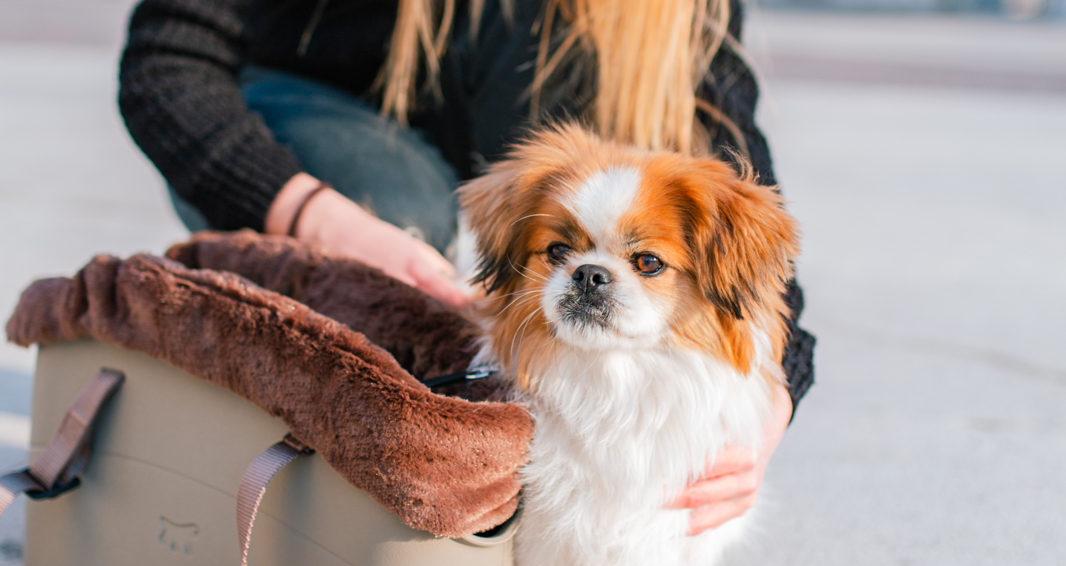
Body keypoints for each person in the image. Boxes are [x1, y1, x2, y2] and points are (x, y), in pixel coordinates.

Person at [118, 0, 815, 534]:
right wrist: (317, 215)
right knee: (397, 204)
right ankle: (321, 482)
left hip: (522, 196)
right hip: (301, 129)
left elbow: (744, 210)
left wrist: (775, 392)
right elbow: (165, 65)